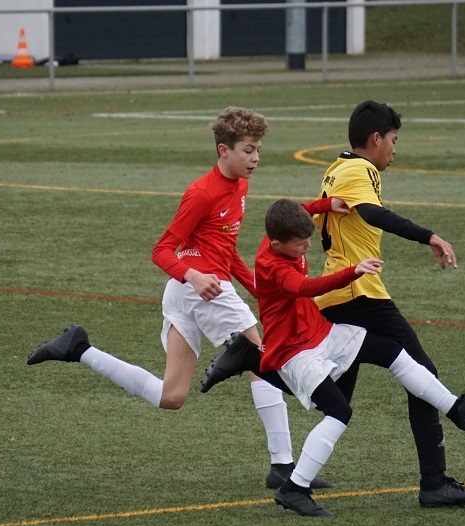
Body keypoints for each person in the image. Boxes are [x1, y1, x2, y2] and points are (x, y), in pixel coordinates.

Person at [204, 100, 465, 508]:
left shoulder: (336, 169)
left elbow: (310, 214)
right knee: (417, 373)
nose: (394, 149)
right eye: (393, 140)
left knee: (334, 396)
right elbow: (372, 214)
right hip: (360, 293)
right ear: (375, 139)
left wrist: (325, 208)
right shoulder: (361, 170)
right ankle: (435, 478)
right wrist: (427, 235)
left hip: (339, 299)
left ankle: (252, 365)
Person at [26, 107, 329, 491]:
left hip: (191, 292)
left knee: (171, 396)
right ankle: (282, 466)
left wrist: (261, 288)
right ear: (223, 150)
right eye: (248, 150)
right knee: (261, 360)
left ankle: (79, 349)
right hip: (202, 288)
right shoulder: (202, 193)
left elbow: (225, 251)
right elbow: (161, 251)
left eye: (258, 150)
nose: (255, 158)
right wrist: (193, 275)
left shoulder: (240, 185)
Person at [253, 198, 465, 517]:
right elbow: (308, 288)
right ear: (276, 244)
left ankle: (456, 409)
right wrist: (353, 271)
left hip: (320, 334)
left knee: (390, 350)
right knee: (339, 412)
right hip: (295, 352)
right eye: (300, 244)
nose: (308, 247)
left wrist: (327, 204)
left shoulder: (281, 234)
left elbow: (301, 207)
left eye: (308, 240)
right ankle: (294, 489)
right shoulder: (273, 266)